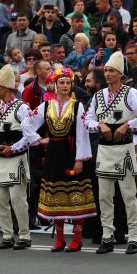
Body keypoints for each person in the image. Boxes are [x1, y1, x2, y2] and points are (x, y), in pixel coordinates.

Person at [84, 51, 137, 254]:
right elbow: (87, 120)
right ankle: (107, 236)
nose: (107, 74)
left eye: (111, 71)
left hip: (124, 149)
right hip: (105, 149)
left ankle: (133, 238)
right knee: (104, 196)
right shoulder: (98, 95)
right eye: (105, 70)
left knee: (129, 195)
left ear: (120, 73)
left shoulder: (131, 93)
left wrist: (129, 124)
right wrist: (99, 125)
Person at [30, 67, 96, 252]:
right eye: (62, 82)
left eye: (68, 82)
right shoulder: (46, 106)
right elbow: (28, 124)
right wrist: (39, 140)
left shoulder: (77, 105)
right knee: (55, 197)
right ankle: (59, 238)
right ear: (55, 85)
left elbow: (82, 133)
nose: (65, 85)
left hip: (71, 151)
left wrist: (80, 158)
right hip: (53, 153)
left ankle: (77, 237)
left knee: (75, 195)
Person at [0, 65, 39, 250]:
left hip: (16, 157)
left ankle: (24, 235)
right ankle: (7, 235)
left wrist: (13, 148)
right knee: (0, 198)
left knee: (17, 199)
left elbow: (29, 135)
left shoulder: (22, 108)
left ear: (6, 88)